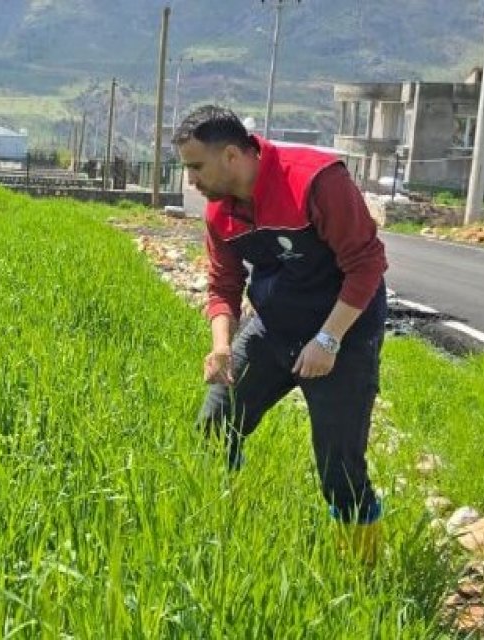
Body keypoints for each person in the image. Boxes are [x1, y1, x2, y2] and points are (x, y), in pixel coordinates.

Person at [175, 105, 389, 564]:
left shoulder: (314, 180)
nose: (190, 179)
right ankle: (218, 535)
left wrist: (328, 340)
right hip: (276, 327)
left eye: (196, 166)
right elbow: (223, 283)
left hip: (344, 332)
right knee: (216, 428)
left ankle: (362, 573)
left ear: (231, 155)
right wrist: (221, 348)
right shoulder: (219, 212)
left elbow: (366, 263)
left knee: (340, 468)